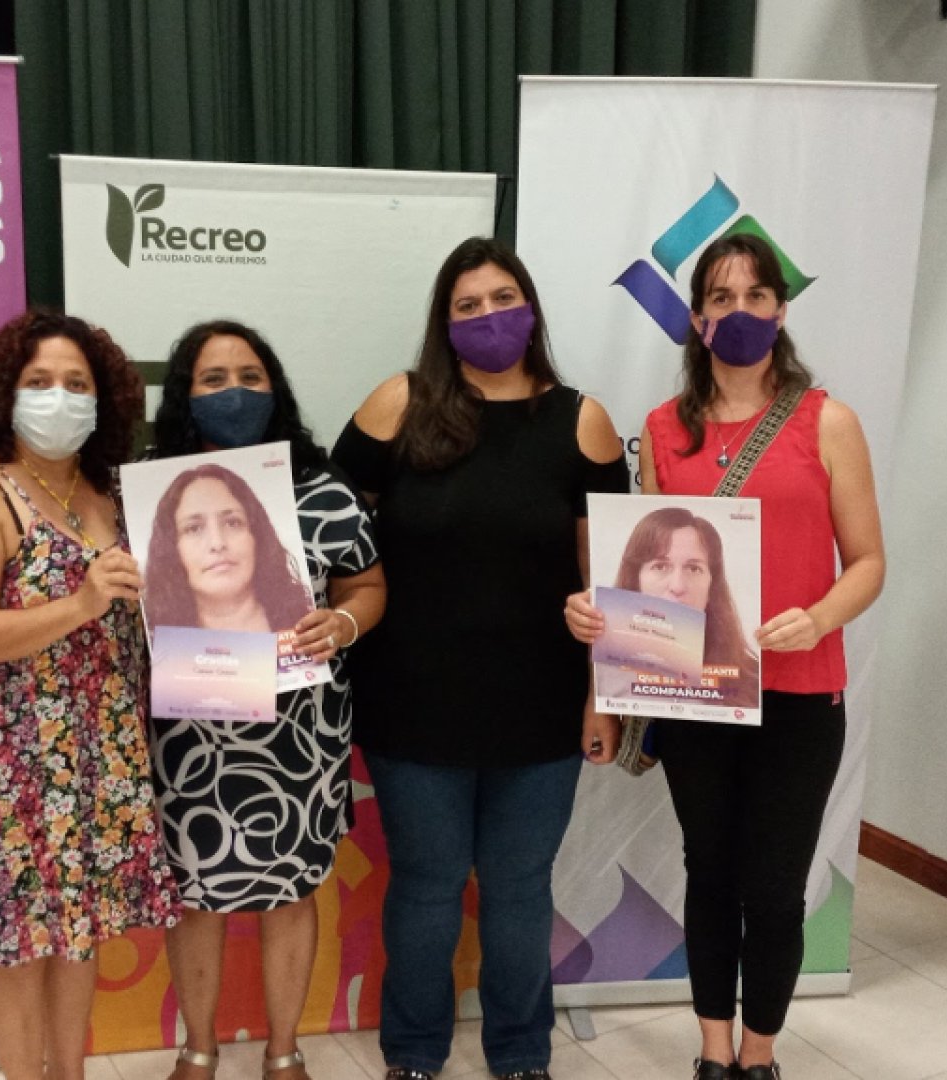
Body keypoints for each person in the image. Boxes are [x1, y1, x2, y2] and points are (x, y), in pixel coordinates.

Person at [566, 232, 885, 1080]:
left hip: (801, 694)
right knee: (707, 873)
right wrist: (604, 620)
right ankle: (713, 1053)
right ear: (697, 318)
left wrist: (819, 618)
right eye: (720, 297)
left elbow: (869, 562)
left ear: (780, 310)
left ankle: (760, 1057)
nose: (738, 311)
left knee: (775, 890)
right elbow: (648, 568)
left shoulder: (829, 422)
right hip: (698, 691)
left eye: (755, 296)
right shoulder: (662, 430)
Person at [331, 237, 630, 1080]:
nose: (488, 316)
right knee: (426, 884)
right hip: (411, 701)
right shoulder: (399, 404)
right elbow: (323, 528)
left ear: (530, 309)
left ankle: (522, 1053)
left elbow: (607, 580)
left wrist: (603, 699)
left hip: (541, 705)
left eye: (503, 298)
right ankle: (413, 1053)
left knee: (519, 887)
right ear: (444, 320)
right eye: (467, 305)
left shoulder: (583, 422)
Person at [0, 309, 182, 1080]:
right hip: (5, 761)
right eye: (39, 381)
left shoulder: (108, 493)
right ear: (6, 393)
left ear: (104, 399)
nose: (59, 397)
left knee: (76, 931)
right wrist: (81, 604)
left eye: (76, 384)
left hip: (97, 753)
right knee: (15, 943)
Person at [146, 320, 387, 1080]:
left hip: (299, 734)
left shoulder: (320, 486)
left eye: (250, 377)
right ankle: (198, 1049)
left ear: (275, 388)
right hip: (187, 735)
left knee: (291, 891)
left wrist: (344, 623)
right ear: (184, 395)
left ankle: (284, 1051)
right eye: (213, 379)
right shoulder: (145, 487)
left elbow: (367, 584)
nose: (235, 393)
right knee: (196, 895)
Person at [606, 506, 760, 708]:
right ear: (636, 580)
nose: (677, 586)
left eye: (693, 568)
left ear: (712, 585)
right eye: (660, 566)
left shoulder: (750, 677)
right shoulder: (604, 669)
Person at [144, 461, 313, 634]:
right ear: (172, 548)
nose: (217, 543)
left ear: (257, 536)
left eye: (232, 523)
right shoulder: (150, 636)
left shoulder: (306, 623)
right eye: (194, 528)